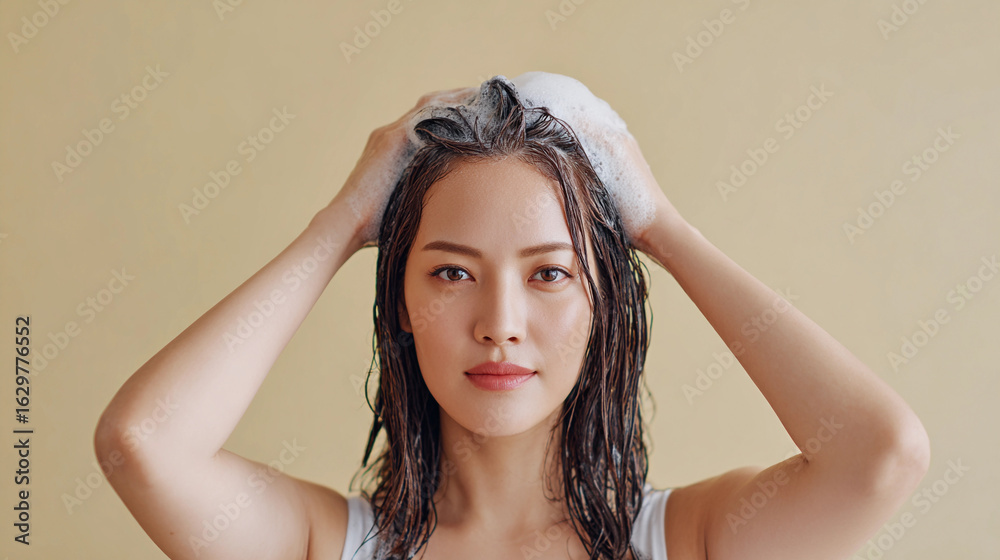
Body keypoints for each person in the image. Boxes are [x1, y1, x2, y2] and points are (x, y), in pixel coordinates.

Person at [94, 74, 931, 560]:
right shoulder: (327, 544)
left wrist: (663, 232)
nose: (500, 321)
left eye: (550, 274)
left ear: (604, 303)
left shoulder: (691, 541)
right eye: (452, 271)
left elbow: (881, 454)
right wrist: (344, 221)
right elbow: (143, 444)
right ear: (403, 306)